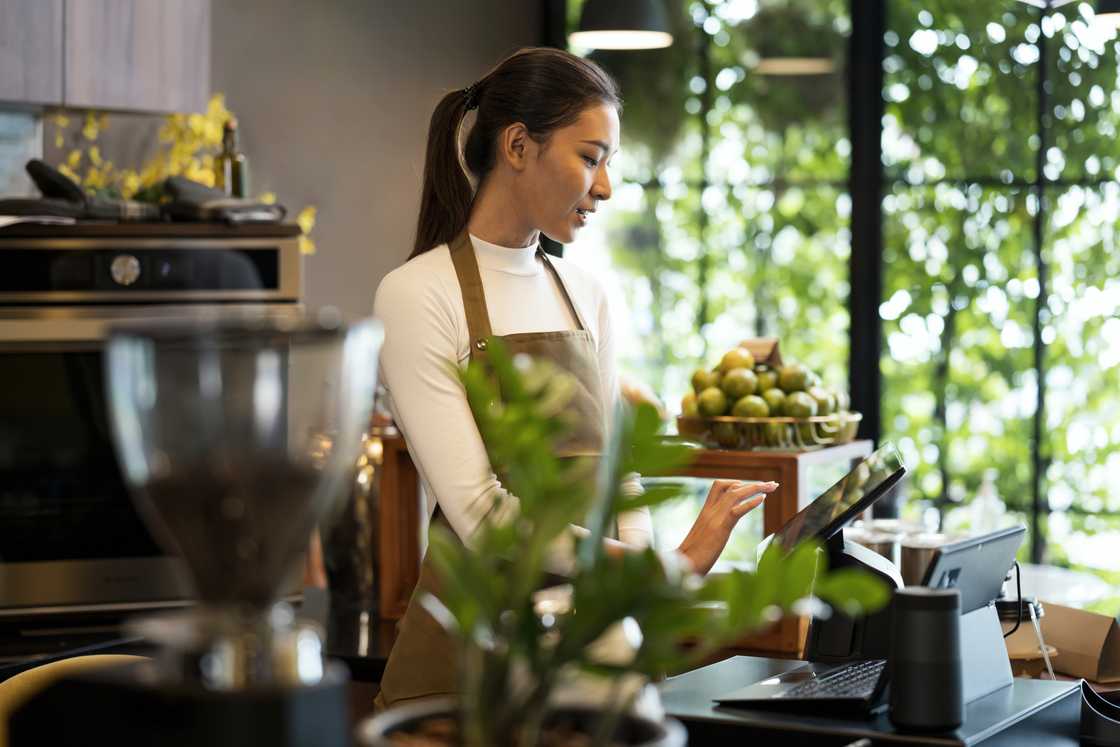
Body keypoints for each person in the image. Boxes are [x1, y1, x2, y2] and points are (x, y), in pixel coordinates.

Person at [372, 47, 777, 709]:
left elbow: (619, 475)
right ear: (518, 146)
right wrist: (658, 567)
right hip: (466, 678)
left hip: (588, 659)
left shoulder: (586, 292)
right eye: (590, 157)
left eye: (609, 163)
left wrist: (640, 607)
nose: (607, 187)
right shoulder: (418, 294)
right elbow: (484, 517)